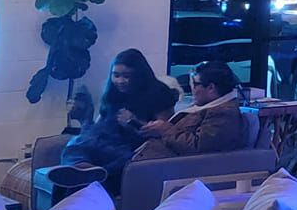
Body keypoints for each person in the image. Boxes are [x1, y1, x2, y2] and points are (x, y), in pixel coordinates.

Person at [60, 49, 178, 194]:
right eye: (116, 75)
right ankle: (84, 168)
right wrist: (83, 118)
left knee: (119, 161)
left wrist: (133, 122)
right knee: (76, 143)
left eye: (126, 76)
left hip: (135, 148)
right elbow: (97, 129)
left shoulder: (159, 93)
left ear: (139, 75)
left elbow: (164, 134)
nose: (120, 81)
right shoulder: (112, 93)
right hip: (106, 144)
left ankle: (95, 174)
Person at [132, 59, 247, 159]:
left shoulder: (223, 113)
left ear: (211, 88)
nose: (193, 89)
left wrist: (164, 130)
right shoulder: (206, 105)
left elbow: (198, 148)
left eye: (195, 84)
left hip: (172, 163)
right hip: (156, 153)